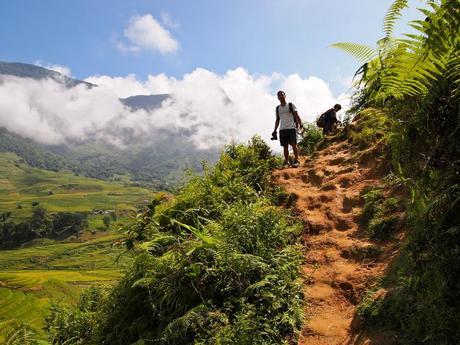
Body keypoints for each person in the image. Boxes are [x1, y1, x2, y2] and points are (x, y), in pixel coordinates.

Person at [272, 90, 303, 168]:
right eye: (279, 95)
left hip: (291, 128)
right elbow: (277, 119)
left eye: (282, 94)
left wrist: (301, 124)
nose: (281, 96)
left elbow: (296, 115)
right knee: (285, 147)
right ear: (278, 98)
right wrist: (275, 130)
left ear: (285, 96)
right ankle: (286, 162)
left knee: (293, 144)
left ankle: (296, 160)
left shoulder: (290, 105)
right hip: (282, 129)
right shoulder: (278, 108)